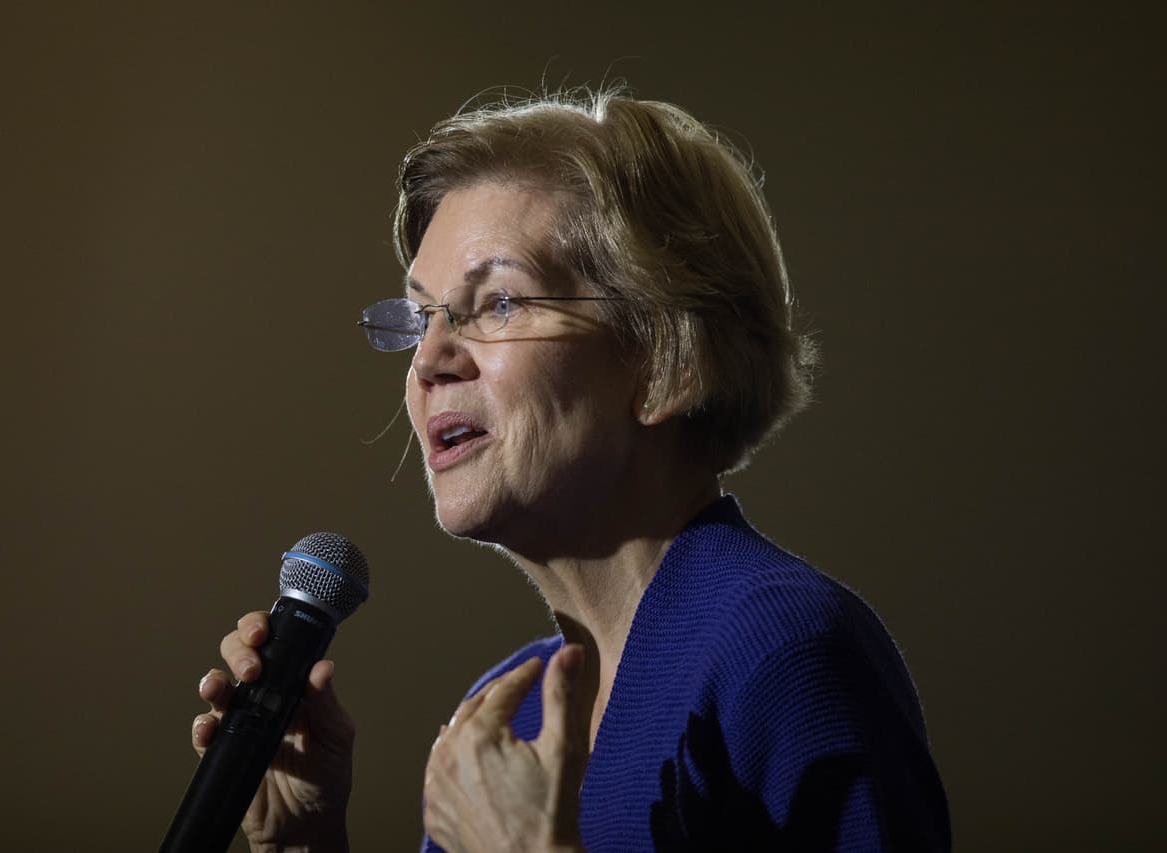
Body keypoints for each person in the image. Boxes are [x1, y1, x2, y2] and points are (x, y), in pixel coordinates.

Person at [190, 87, 951, 852]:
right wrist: (303, 842)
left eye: (498, 305)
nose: (429, 361)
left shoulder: (782, 651)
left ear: (663, 360)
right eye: (421, 317)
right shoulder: (508, 713)